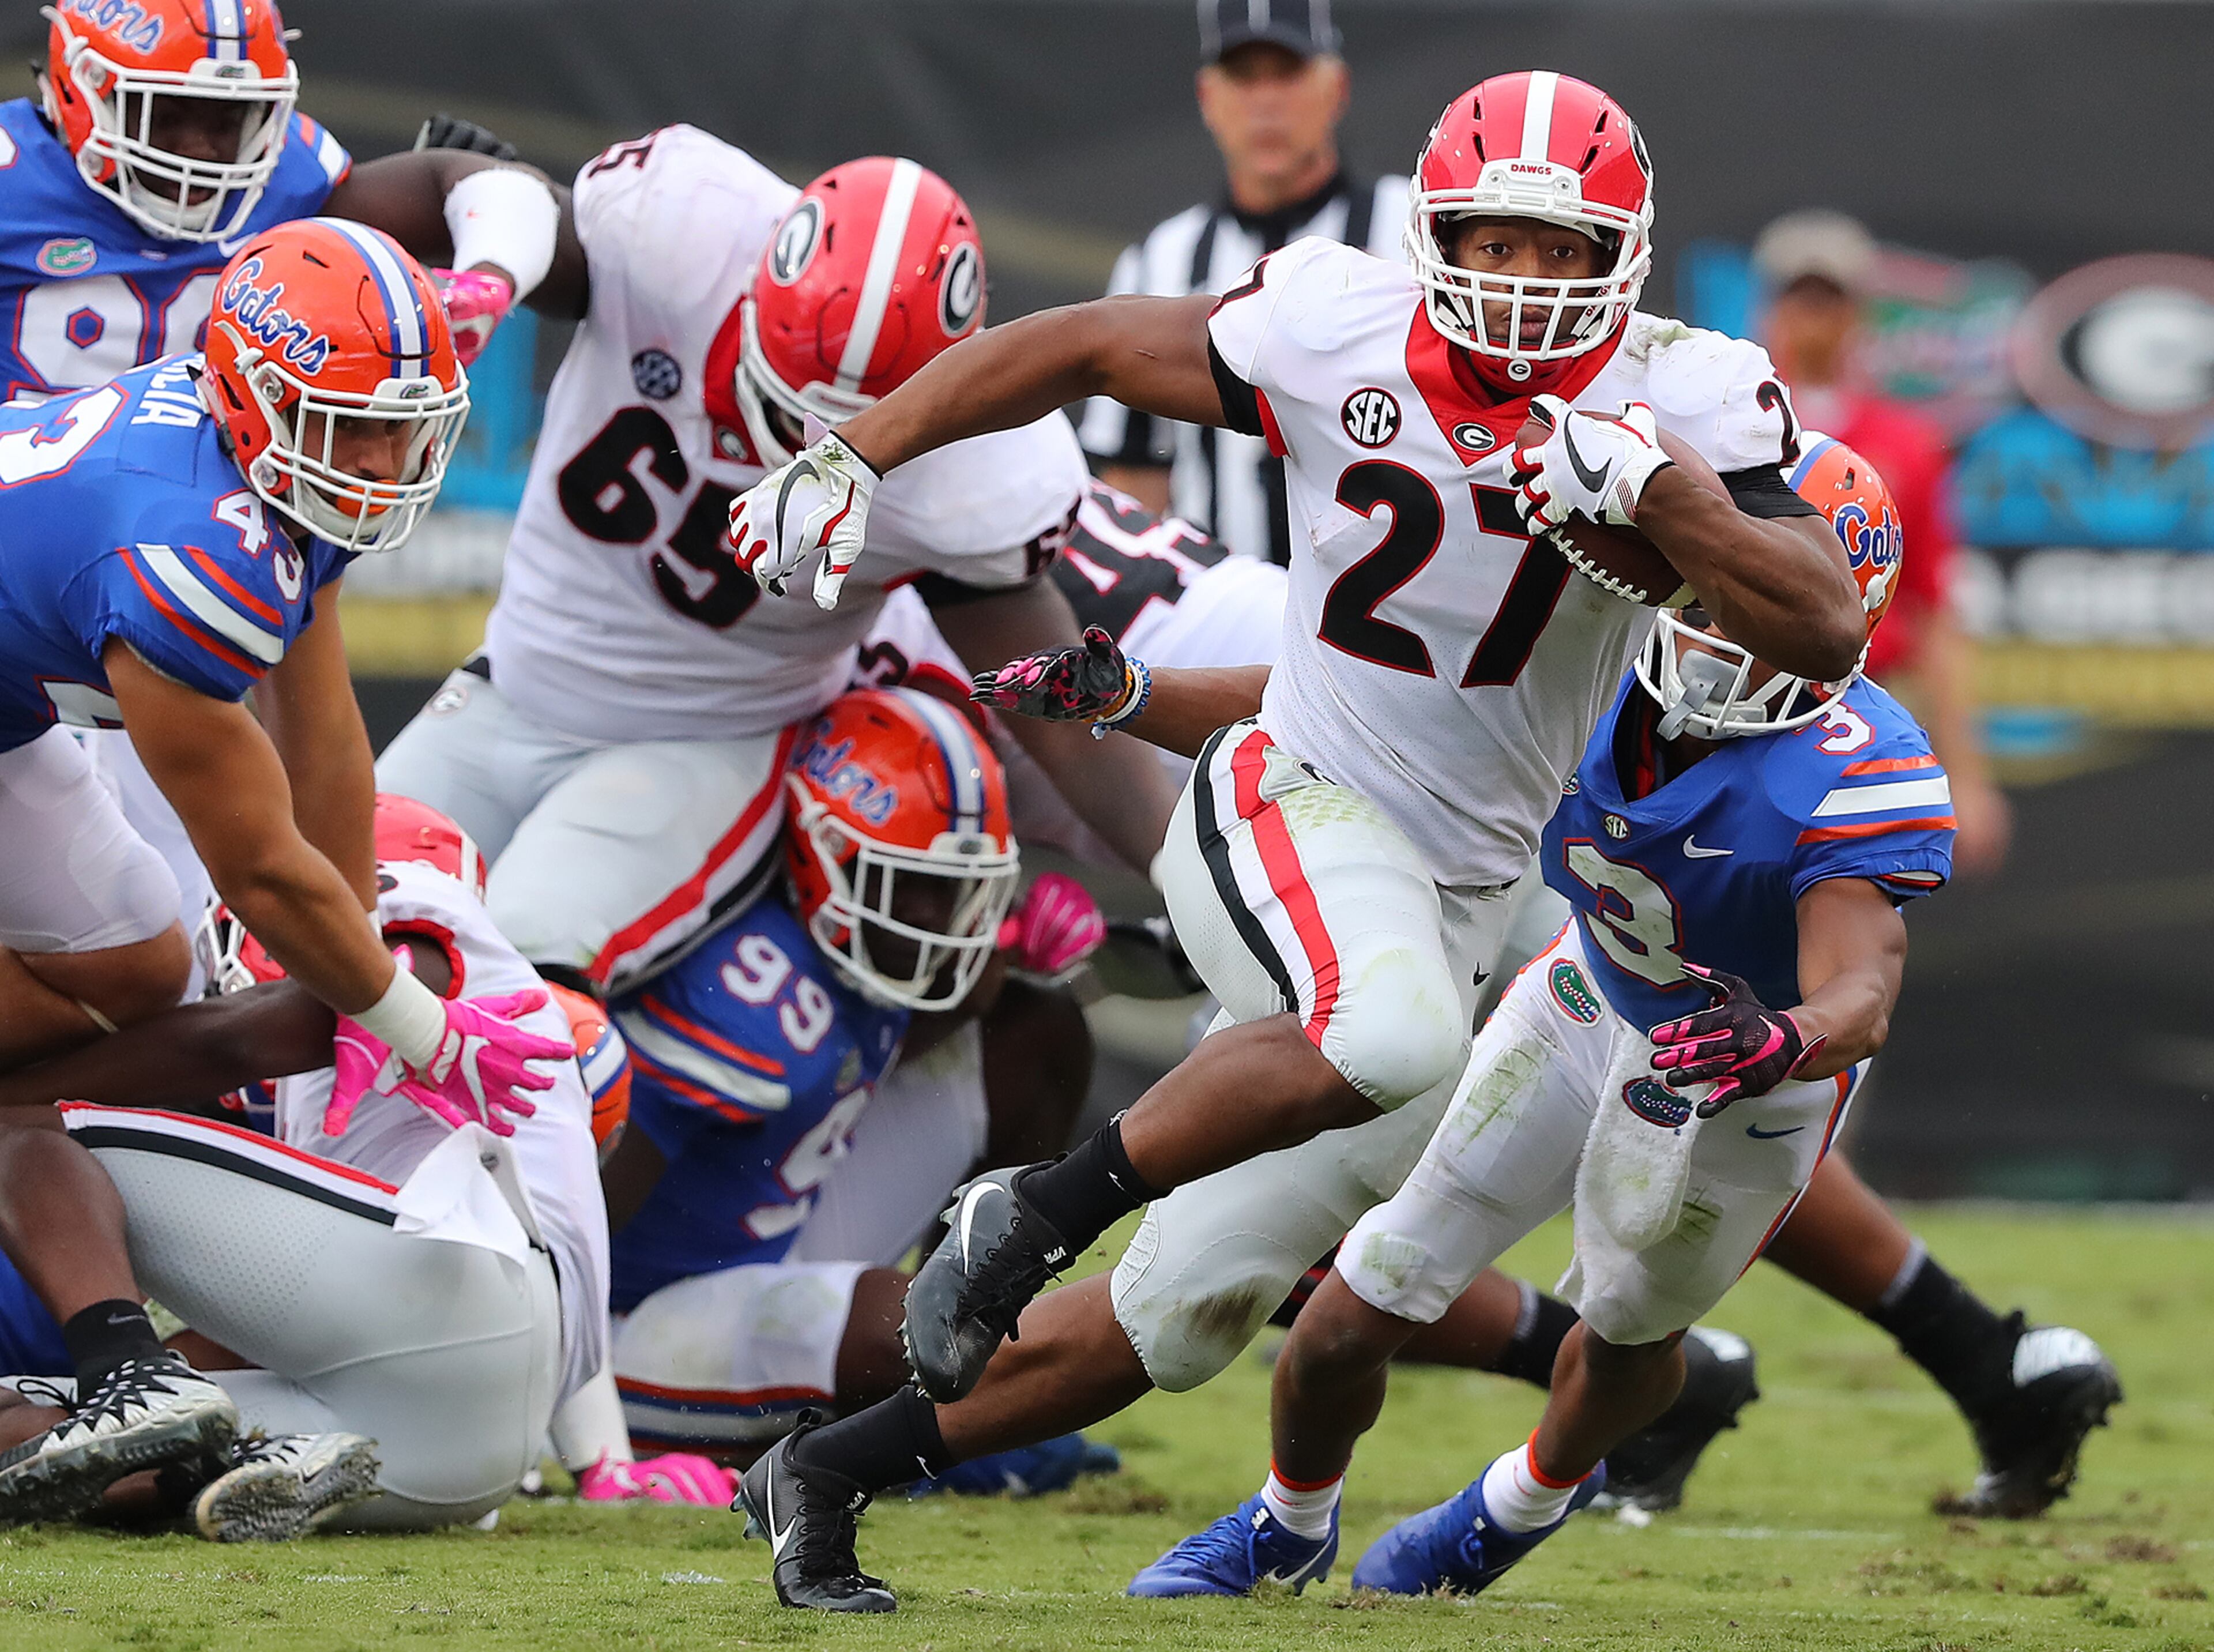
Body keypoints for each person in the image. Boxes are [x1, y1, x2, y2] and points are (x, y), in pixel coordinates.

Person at [725, 69, 1867, 1610]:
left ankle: (825, 1472)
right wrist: (857, 450)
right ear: (1428, 228)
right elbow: (1072, 343)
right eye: (1494, 239)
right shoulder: (1335, 328)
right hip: (1293, 796)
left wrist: (1671, 502)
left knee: (1186, 1310)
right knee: (1385, 1028)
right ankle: (1031, 1211)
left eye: (1560, 249)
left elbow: (1825, 623)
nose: (1525, 283)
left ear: (1626, 253)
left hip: (1465, 888)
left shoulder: (1690, 396)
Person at [1132, 437, 2118, 1600]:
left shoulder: (1857, 767)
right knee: (1366, 1292)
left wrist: (1779, 1039)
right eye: (1708, 600)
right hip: (1583, 997)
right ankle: (1285, 1524)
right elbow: (1335, 714)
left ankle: (1519, 1502)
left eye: (1766, 616)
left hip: (1743, 1082)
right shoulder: (1575, 657)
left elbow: (1861, 991)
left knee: (1628, 1333)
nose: (1719, 640)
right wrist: (1140, 702)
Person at [375, 135, 1177, 998]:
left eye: (852, 437)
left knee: (510, 981)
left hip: (702, 749)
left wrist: (1199, 881)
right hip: (508, 689)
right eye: (793, 405)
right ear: (753, 292)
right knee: (318, 924)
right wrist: (481, 227)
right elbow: (504, 210)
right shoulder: (680, 234)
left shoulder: (974, 473)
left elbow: (1052, 700)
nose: (802, 448)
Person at [0, 218, 563, 1156]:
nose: (383, 465)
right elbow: (257, 868)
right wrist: (414, 1027)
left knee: (139, 961)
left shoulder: (280, 457)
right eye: (358, 429)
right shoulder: (183, 551)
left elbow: (321, 726)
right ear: (258, 397)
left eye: (401, 426)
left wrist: (363, 946)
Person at [0, 796, 608, 1535]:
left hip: (470, 1300)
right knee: (56, 1431)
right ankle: (199, 1468)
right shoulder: (344, 1115)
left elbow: (270, 1029)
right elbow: (280, 1309)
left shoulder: (412, 893)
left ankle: (133, 1377)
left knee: (13, 1133)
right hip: (460, 1452)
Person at [594, 688, 1118, 1493]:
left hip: (773, 1217)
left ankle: (966, 1383)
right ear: (820, 848)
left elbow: (864, 1048)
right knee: (904, 1329)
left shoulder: (846, 939)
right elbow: (575, 1230)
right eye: (908, 884)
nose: (936, 917)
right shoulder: (740, 987)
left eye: (954, 888)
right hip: (634, 1315)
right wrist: (559, 1417)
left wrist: (1001, 960)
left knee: (1037, 1031)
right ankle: (918, 1420)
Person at [6, 0, 576, 400]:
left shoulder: (289, 180)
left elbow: (493, 184)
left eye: (229, 118)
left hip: (203, 517)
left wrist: (486, 282)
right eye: (167, 114)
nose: (200, 149)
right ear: (82, 88)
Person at [1079, 0, 1406, 562]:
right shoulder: (1161, 259)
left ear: (1338, 88)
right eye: (1243, 77)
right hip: (1221, 617)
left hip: (1389, 609)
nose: (1266, 101)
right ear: (1209, 98)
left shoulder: (1413, 230)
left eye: (1288, 72)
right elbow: (1133, 480)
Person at [1753, 209, 2010, 876]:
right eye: (1798, 296)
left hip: (1860, 714)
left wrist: (1970, 777)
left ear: (1858, 313)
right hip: (1736, 705)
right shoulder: (1725, 427)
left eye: (1828, 298)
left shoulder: (1907, 444)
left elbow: (1933, 611)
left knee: (1849, 910)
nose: (1814, 316)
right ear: (1769, 307)